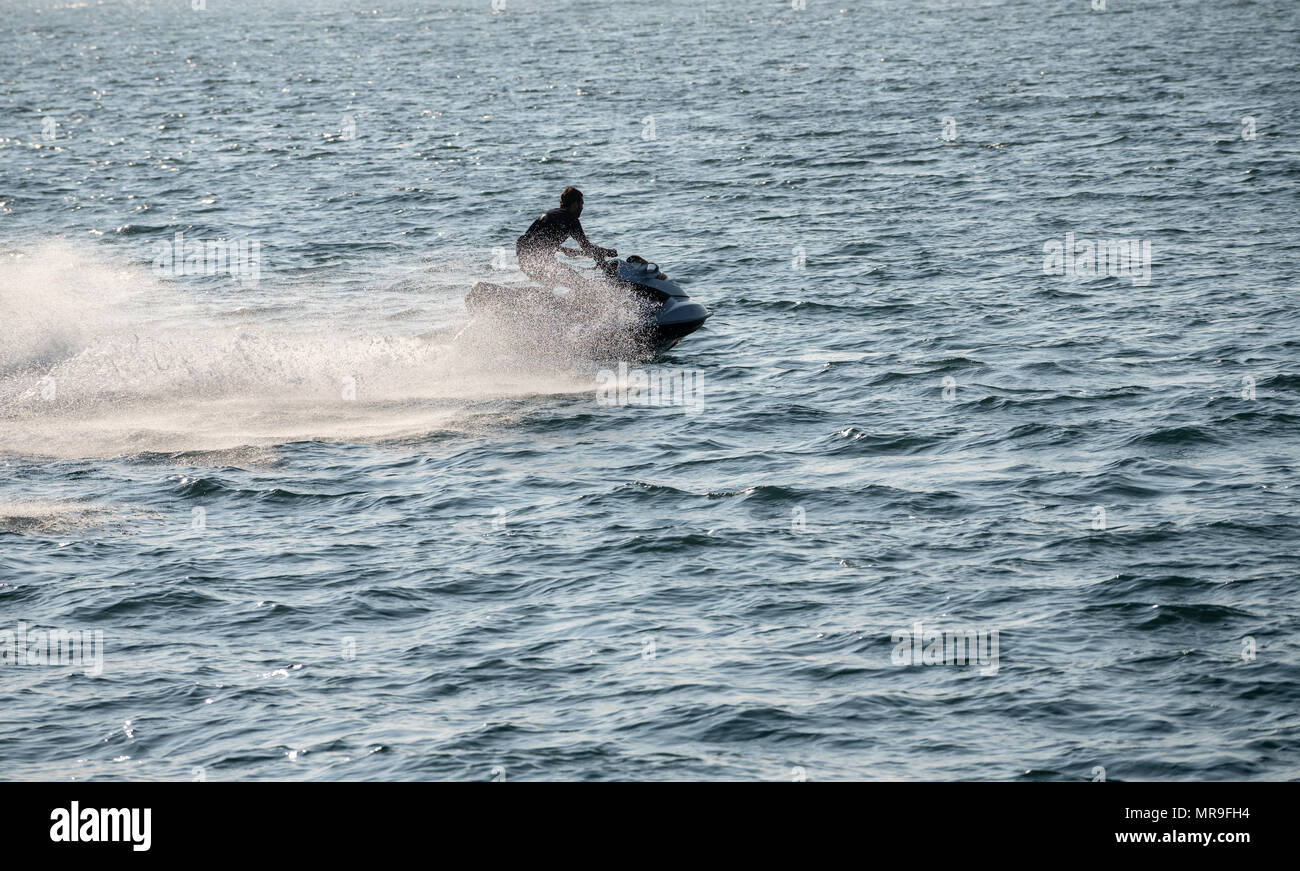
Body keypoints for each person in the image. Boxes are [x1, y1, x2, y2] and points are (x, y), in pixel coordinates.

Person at [515, 187, 616, 292]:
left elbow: (536, 241)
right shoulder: (571, 219)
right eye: (582, 204)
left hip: (524, 261)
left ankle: (542, 299)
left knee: (551, 283)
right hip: (540, 262)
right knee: (582, 285)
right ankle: (607, 285)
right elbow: (587, 247)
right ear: (575, 204)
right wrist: (607, 252)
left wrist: (563, 250)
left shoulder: (549, 214)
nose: (582, 208)